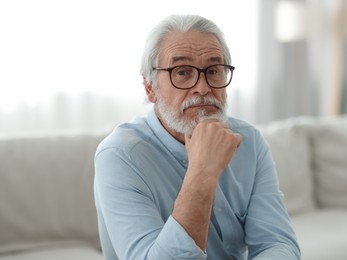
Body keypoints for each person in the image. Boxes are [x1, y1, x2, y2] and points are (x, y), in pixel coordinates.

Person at [94, 14, 301, 260]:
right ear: (150, 87)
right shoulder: (119, 156)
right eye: (182, 72)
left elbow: (277, 244)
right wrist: (202, 172)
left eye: (213, 70)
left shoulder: (250, 141)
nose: (202, 87)